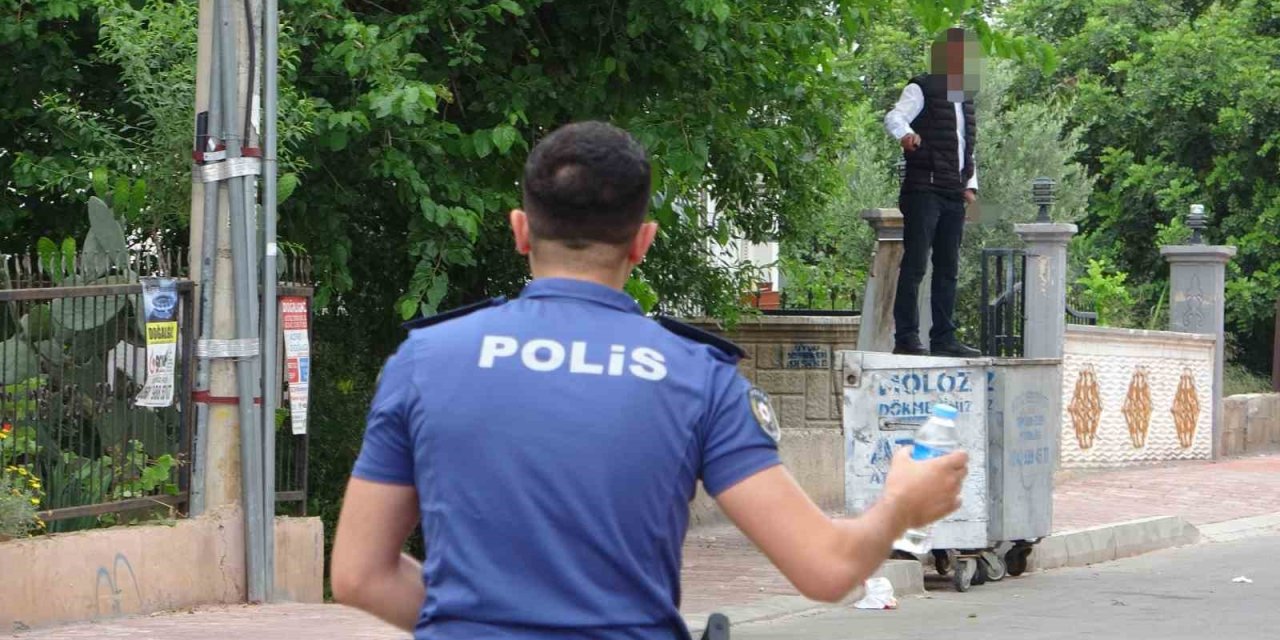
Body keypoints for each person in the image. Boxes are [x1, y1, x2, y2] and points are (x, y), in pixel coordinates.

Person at [330, 121, 969, 639]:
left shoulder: (427, 360)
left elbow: (359, 574)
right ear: (643, 241)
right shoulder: (695, 376)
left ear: (521, 230)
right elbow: (828, 570)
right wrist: (900, 507)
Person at [885, 27, 983, 358]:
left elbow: (966, 147)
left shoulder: (965, 97)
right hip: (923, 188)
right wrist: (906, 134)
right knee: (915, 264)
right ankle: (907, 337)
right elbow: (894, 116)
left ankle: (944, 339)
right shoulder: (921, 87)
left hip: (952, 192)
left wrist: (970, 187)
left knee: (948, 266)